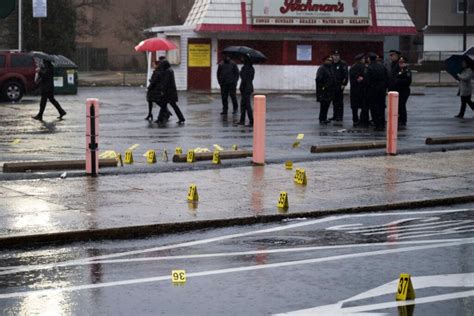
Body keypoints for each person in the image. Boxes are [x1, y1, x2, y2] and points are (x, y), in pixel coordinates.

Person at [158, 60, 185, 124]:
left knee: (167, 105)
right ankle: (160, 118)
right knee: (165, 105)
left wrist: (162, 90)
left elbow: (166, 82)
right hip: (171, 92)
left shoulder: (167, 72)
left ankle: (181, 118)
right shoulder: (170, 70)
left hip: (168, 93)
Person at [366, 53, 388, 131]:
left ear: (369, 59)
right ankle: (382, 123)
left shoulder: (369, 68)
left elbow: (367, 81)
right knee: (381, 107)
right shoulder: (382, 67)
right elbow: (387, 78)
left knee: (374, 108)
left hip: (373, 90)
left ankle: (377, 124)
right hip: (382, 90)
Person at [316, 55, 336, 124]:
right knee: (323, 105)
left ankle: (324, 118)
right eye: (328, 60)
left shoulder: (330, 68)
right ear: (324, 61)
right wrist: (323, 87)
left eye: (331, 60)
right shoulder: (322, 68)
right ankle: (322, 119)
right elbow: (318, 79)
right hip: (324, 90)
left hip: (329, 90)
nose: (330, 61)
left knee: (327, 105)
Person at [349, 53, 367, 126]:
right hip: (363, 89)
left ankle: (355, 119)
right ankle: (363, 120)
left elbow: (352, 79)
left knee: (354, 107)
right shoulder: (364, 67)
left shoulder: (352, 67)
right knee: (364, 106)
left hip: (354, 89)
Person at [330, 50, 348, 121]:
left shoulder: (342, 64)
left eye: (337, 56)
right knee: (334, 101)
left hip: (339, 85)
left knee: (339, 101)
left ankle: (339, 116)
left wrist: (344, 84)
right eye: (335, 56)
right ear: (332, 56)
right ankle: (335, 115)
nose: (336, 57)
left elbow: (346, 75)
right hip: (333, 85)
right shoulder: (331, 64)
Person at [394, 56, 412, 126]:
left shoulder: (407, 71)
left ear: (405, 63)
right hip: (399, 90)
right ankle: (400, 118)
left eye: (402, 62)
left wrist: (398, 81)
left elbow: (408, 81)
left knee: (402, 105)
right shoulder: (399, 70)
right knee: (399, 105)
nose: (400, 64)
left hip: (404, 90)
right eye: (399, 62)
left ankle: (403, 119)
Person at [237, 56, 254, 126]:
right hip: (248, 87)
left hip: (245, 88)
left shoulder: (245, 68)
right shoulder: (252, 68)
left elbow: (243, 78)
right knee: (244, 105)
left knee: (246, 105)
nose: (241, 59)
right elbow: (251, 78)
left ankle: (251, 120)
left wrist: (240, 72)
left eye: (243, 59)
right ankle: (242, 120)